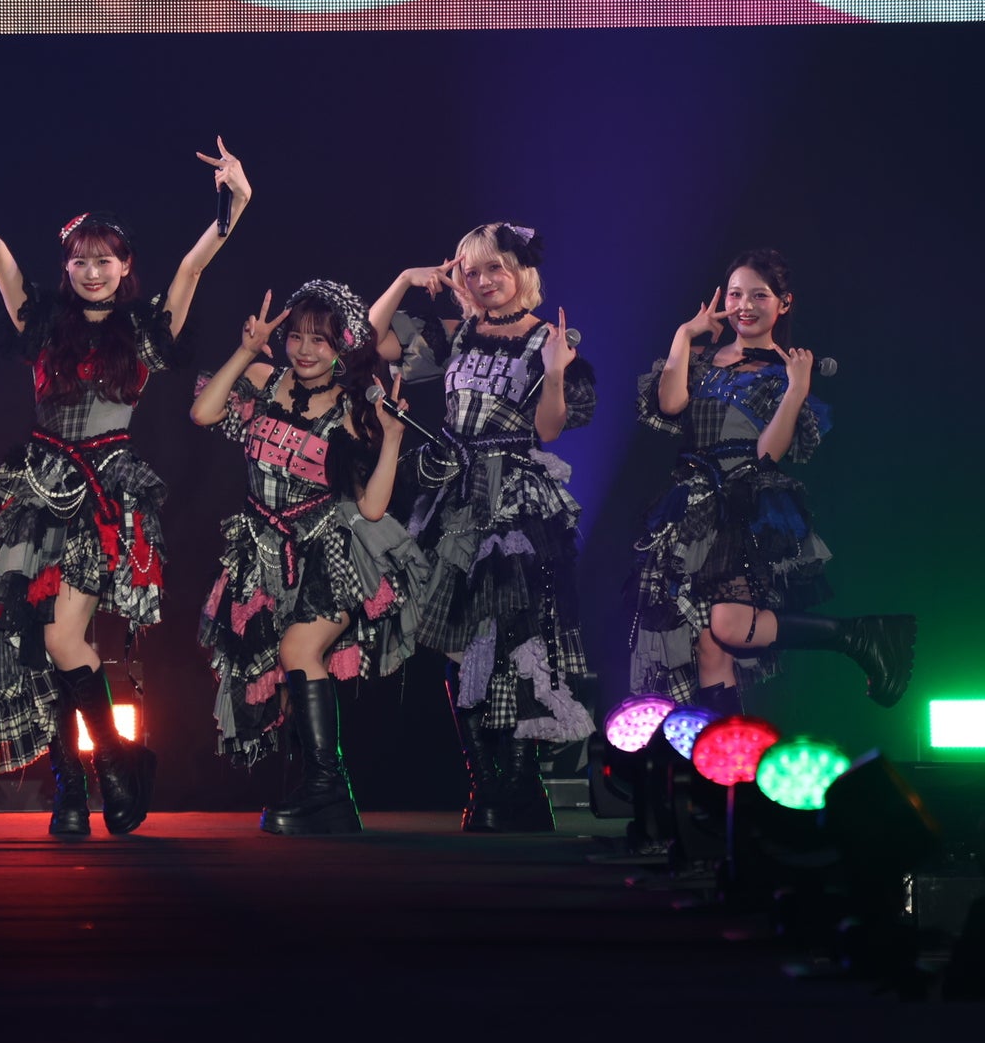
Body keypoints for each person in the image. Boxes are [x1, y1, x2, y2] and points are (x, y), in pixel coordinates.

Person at [0, 124, 249, 836]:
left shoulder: (144, 329)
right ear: (67, 266)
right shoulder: (44, 323)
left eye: (105, 259)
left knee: (63, 637)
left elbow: (193, 268)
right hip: (38, 487)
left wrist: (234, 206)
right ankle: (72, 789)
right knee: (31, 638)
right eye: (80, 260)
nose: (92, 271)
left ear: (126, 265)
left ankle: (114, 764)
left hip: (105, 490)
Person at [368, 223, 595, 832]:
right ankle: (487, 785)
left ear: (521, 271)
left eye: (496, 267)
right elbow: (371, 338)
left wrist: (554, 371)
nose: (484, 280)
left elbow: (549, 430)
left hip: (516, 496)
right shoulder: (456, 332)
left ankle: (518, 788)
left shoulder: (549, 339)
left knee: (514, 640)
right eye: (471, 271)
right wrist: (406, 279)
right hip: (455, 495)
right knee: (456, 640)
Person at [191, 280, 431, 834]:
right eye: (296, 336)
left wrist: (393, 439)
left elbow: (372, 508)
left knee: (299, 650)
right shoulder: (262, 379)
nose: (304, 349)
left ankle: (329, 788)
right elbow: (203, 412)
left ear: (341, 344)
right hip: (261, 552)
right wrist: (247, 350)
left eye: (319, 339)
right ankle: (323, 794)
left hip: (330, 555)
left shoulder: (353, 409)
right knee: (285, 668)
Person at [629, 248, 913, 712]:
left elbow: (768, 456)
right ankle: (724, 760)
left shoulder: (784, 373)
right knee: (708, 650)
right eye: (735, 294)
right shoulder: (700, 359)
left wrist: (797, 389)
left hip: (741, 505)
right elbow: (670, 405)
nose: (744, 305)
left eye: (759, 295)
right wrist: (684, 335)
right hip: (689, 507)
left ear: (784, 303)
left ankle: (857, 635)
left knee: (728, 626)